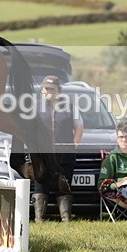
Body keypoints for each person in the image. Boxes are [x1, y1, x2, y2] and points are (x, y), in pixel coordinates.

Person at [33, 75, 84, 222]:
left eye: (51, 88)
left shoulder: (71, 107)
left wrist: (74, 145)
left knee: (63, 188)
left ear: (59, 91)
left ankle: (66, 221)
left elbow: (79, 127)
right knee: (40, 189)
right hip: (42, 156)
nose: (47, 91)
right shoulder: (34, 108)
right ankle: (39, 221)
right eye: (45, 88)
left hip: (64, 156)